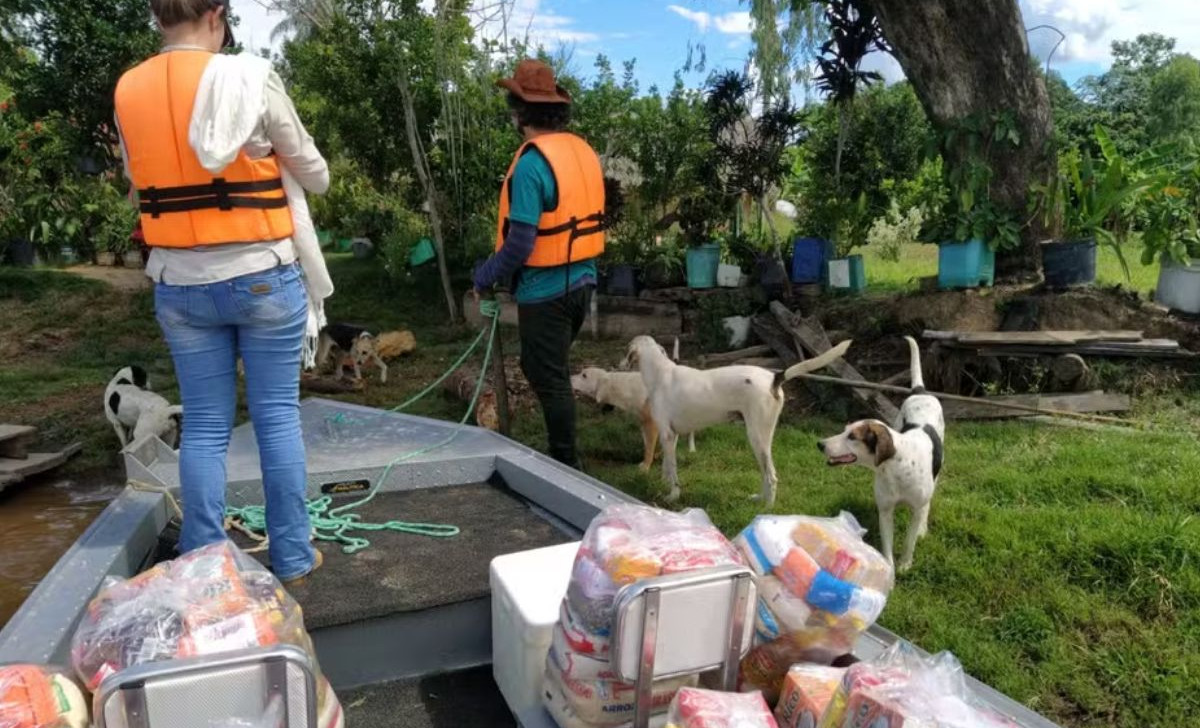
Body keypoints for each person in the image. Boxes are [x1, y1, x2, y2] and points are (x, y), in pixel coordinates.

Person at [113, 0, 331, 584]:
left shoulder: (128, 88)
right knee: (276, 419)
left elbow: (138, 181)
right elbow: (316, 174)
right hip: (263, 274)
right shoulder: (249, 77)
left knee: (207, 426)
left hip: (180, 284)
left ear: (159, 16)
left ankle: (204, 565)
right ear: (217, 13)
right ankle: (290, 555)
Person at [473, 59, 606, 468]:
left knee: (547, 378)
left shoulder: (532, 163)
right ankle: (565, 454)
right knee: (548, 369)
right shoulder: (581, 151)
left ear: (518, 112)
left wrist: (485, 275)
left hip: (545, 291)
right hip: (583, 282)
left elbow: (520, 244)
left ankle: (567, 465)